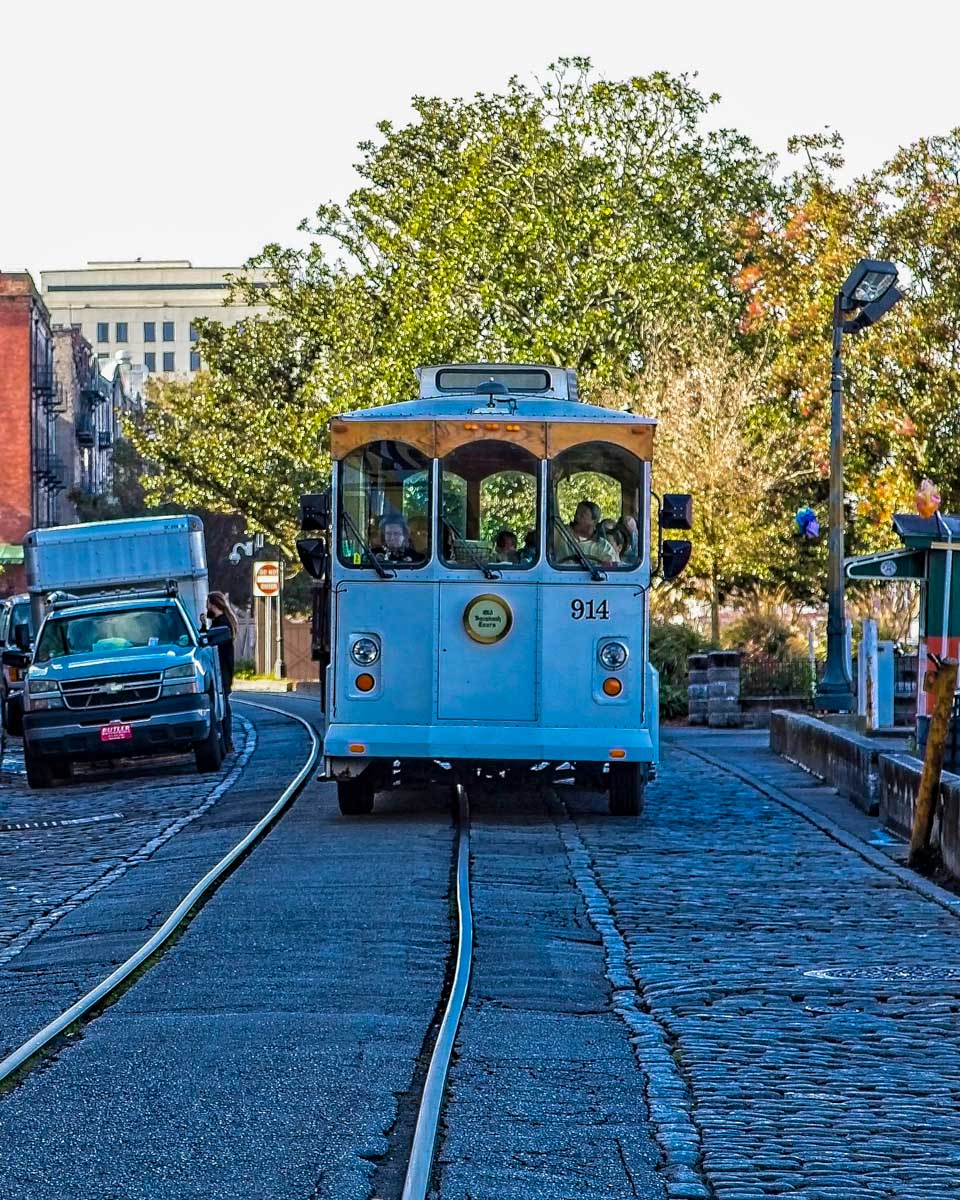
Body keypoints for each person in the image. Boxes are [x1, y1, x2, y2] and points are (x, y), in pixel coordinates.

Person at [206, 591, 238, 753]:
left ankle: (227, 741)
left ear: (214, 605)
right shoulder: (219, 622)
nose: (207, 608)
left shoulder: (222, 624)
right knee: (223, 706)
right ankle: (225, 741)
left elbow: (212, 643)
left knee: (224, 707)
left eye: (208, 604)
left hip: (222, 671)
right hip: (222, 671)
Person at [556, 500, 619, 566]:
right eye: (576, 513)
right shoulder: (560, 532)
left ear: (594, 521)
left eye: (582, 515)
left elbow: (612, 567)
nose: (577, 516)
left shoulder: (604, 547)